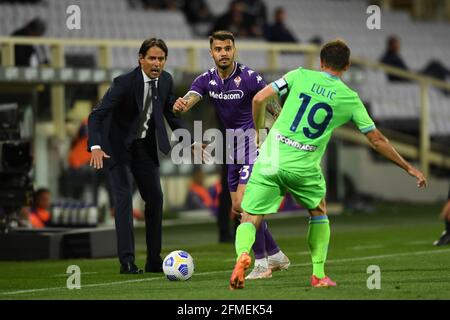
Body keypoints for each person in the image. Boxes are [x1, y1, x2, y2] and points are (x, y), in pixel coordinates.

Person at [229, 39, 427, 290]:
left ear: (320, 62)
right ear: (346, 66)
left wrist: (258, 133)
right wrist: (409, 167)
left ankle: (243, 256)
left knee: (250, 216)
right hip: (303, 168)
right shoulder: (349, 98)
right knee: (318, 211)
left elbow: (258, 99)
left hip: (271, 158)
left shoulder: (299, 75)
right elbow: (376, 140)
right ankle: (318, 274)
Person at [174, 30, 290, 280]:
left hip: (251, 144)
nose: (223, 53)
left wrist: (278, 128)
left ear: (234, 50)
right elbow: (193, 95)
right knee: (238, 207)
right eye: (218, 49)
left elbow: (271, 103)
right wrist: (183, 103)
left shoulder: (249, 77)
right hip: (230, 147)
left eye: (227, 48)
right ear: (211, 53)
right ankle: (276, 253)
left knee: (249, 205)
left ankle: (261, 264)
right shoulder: (207, 79)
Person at [88, 38, 198, 275]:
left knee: (156, 199)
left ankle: (153, 261)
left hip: (144, 148)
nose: (156, 63)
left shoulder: (167, 80)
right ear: (141, 59)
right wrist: (95, 146)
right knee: (124, 199)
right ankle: (127, 262)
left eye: (160, 59)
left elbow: (171, 113)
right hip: (116, 149)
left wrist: (189, 140)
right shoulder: (124, 83)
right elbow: (96, 116)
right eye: (151, 58)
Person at [380, 35, 450, 85]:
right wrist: (408, 73)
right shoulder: (388, 56)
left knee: (437, 72)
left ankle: (447, 92)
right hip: (406, 78)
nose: (398, 47)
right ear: (390, 46)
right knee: (434, 65)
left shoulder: (394, 56)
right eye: (396, 45)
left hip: (409, 75)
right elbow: (382, 64)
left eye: (398, 44)